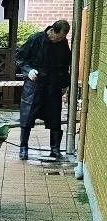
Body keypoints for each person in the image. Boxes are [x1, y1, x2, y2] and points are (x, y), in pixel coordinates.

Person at [16, 20, 71, 160]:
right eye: (57, 37)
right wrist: (28, 70)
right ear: (52, 30)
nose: (58, 40)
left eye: (62, 38)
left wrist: (65, 83)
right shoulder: (36, 39)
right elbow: (20, 57)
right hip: (35, 83)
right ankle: (23, 148)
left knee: (55, 116)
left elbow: (65, 65)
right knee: (27, 115)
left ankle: (55, 149)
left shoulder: (63, 43)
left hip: (53, 84)